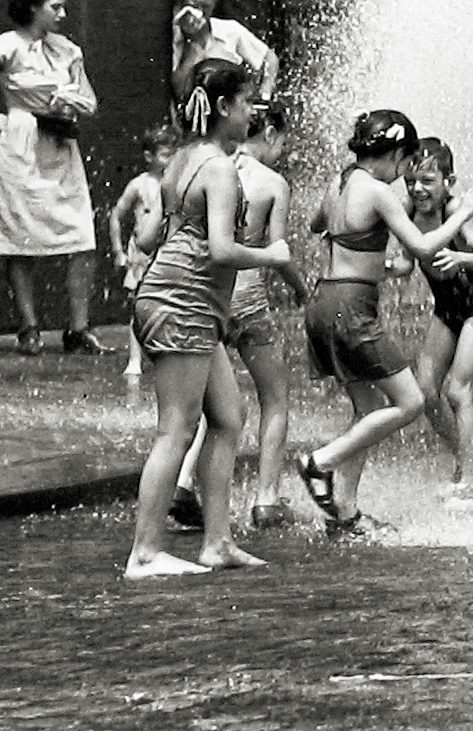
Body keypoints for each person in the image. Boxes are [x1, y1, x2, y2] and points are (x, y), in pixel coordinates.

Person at [124, 58, 294, 578]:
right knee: (176, 429)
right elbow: (221, 249)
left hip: (185, 299)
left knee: (227, 418)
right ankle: (145, 553)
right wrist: (271, 255)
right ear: (223, 107)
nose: (252, 114)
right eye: (245, 104)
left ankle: (217, 542)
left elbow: (153, 236)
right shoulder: (218, 167)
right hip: (183, 302)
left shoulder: (183, 158)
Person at [294, 108, 473, 536]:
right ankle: (320, 463)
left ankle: (344, 513)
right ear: (397, 154)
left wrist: (361, 250)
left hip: (323, 300)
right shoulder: (377, 191)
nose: (404, 176)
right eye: (405, 163)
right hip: (351, 307)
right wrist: (462, 214)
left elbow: (318, 224)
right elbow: (422, 247)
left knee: (367, 410)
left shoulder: (339, 182)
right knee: (411, 401)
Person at [0, 0, 105, 355]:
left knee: (82, 236)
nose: (63, 14)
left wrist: (73, 102)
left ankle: (78, 328)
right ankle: (28, 326)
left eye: (63, 6)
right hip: (21, 145)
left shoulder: (67, 50)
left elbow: (90, 100)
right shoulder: (7, 45)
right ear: (33, 8)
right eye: (54, 7)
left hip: (60, 145)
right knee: (20, 239)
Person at [227, 99, 310, 528]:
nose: (282, 154)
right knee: (275, 397)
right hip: (249, 302)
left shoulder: (214, 168)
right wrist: (301, 288)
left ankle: (184, 485)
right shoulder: (273, 183)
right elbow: (278, 252)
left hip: (210, 298)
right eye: (283, 144)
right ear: (271, 133)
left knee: (208, 399)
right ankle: (266, 499)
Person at [408, 136, 473, 508]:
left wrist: (462, 259)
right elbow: (404, 262)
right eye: (411, 181)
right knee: (424, 392)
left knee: (458, 390)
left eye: (427, 181)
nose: (418, 189)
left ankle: (470, 484)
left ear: (449, 181)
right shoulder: (409, 214)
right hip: (446, 307)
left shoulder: (456, 209)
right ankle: (471, 460)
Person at [110, 123, 176, 380]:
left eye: (173, 154)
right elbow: (116, 215)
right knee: (138, 307)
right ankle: (135, 358)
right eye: (165, 155)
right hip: (141, 254)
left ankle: (167, 354)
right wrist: (118, 251)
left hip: (167, 251)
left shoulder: (176, 182)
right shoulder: (139, 185)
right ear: (148, 156)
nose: (170, 160)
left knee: (169, 305)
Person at [165, 0, 278, 108]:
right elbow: (179, 93)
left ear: (214, 2)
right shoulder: (173, 41)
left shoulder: (230, 31)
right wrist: (193, 42)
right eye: (194, 6)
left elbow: (269, 58)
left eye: (205, 6)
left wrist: (265, 94)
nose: (200, 13)